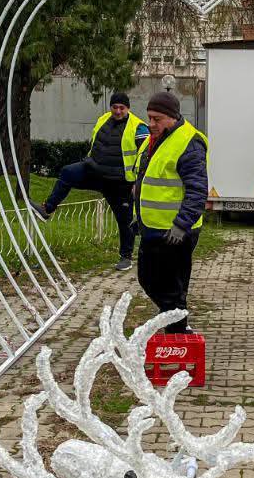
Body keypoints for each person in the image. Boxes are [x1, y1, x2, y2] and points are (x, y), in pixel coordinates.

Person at [29, 90, 147, 271]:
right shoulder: (103, 120)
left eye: (121, 108)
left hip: (119, 182)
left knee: (124, 221)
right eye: (114, 107)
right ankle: (47, 209)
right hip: (94, 172)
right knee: (68, 172)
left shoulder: (139, 128)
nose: (117, 111)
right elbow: (95, 144)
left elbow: (145, 156)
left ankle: (126, 257)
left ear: (128, 108)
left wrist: (137, 183)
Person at [134, 91, 208, 331]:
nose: (151, 124)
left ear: (172, 117)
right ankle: (177, 323)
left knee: (170, 285)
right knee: (149, 279)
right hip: (153, 227)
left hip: (176, 232)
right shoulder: (154, 140)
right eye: (149, 118)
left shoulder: (189, 143)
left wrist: (181, 224)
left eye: (157, 119)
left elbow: (197, 191)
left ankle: (176, 332)